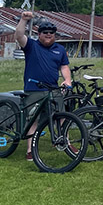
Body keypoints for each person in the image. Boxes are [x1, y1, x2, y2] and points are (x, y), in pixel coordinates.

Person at [15, 12, 72, 161]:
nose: (48, 35)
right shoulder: (31, 46)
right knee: (33, 120)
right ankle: (30, 150)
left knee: (61, 117)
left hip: (53, 89)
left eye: (51, 33)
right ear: (38, 34)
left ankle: (65, 141)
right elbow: (19, 35)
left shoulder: (59, 49)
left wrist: (67, 80)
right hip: (34, 89)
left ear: (55, 35)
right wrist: (24, 20)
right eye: (45, 32)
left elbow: (64, 67)